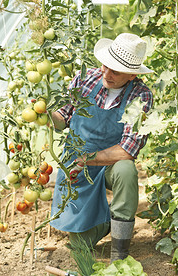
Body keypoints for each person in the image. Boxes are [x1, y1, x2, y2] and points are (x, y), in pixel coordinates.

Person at [50, 33, 153, 262]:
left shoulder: (141, 95)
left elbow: (127, 150)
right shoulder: (84, 79)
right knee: (80, 244)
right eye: (106, 66)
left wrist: (87, 159)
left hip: (108, 164)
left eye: (115, 71)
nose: (106, 74)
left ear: (132, 74)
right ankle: (106, 221)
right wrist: (47, 113)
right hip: (76, 165)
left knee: (127, 169)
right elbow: (63, 117)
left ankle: (119, 252)